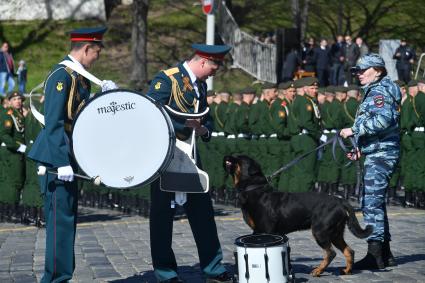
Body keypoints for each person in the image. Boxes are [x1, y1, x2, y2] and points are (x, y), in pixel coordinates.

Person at [28, 27, 117, 282]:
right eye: (96, 53)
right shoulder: (62, 75)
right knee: (59, 225)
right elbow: (54, 121)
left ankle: (62, 276)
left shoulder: (80, 77)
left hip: (68, 155)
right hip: (56, 160)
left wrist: (103, 97)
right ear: (86, 49)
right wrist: (61, 161)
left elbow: (82, 117)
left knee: (66, 224)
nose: (97, 58)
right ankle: (55, 279)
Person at [145, 43, 233, 283]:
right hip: (166, 157)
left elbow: (207, 119)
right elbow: (150, 113)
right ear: (203, 61)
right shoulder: (167, 79)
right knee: (163, 217)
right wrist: (184, 127)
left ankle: (213, 267)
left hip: (192, 157)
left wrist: (204, 129)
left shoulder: (200, 86)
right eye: (214, 67)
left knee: (203, 213)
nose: (215, 73)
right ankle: (165, 273)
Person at [340, 53, 401, 270]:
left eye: (363, 70)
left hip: (382, 154)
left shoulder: (379, 91)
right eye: (356, 71)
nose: (358, 75)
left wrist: (354, 129)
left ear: (377, 70)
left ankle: (375, 256)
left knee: (371, 203)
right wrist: (361, 148)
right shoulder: (376, 90)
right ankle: (385, 253)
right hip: (377, 151)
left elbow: (383, 120)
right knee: (375, 201)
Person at [0, 91, 27, 222]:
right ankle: (9, 211)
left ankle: (10, 209)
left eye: (20, 99)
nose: (18, 101)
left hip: (17, 153)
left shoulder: (18, 114)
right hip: (11, 152)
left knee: (16, 180)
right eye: (15, 99)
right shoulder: (8, 115)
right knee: (11, 181)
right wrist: (18, 147)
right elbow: (5, 135)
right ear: (9, 101)